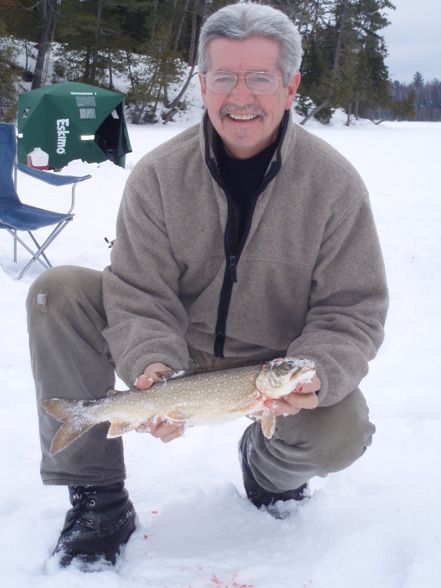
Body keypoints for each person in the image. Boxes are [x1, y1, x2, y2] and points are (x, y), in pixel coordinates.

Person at [26, 1, 388, 569]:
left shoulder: (334, 186)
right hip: (179, 349)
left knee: (340, 432)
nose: (240, 97)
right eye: (224, 77)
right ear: (201, 84)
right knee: (60, 290)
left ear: (291, 87)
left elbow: (353, 309)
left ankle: (268, 473)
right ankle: (96, 497)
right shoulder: (159, 176)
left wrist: (318, 368)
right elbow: (139, 290)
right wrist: (152, 365)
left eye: (261, 78)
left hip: (274, 361)